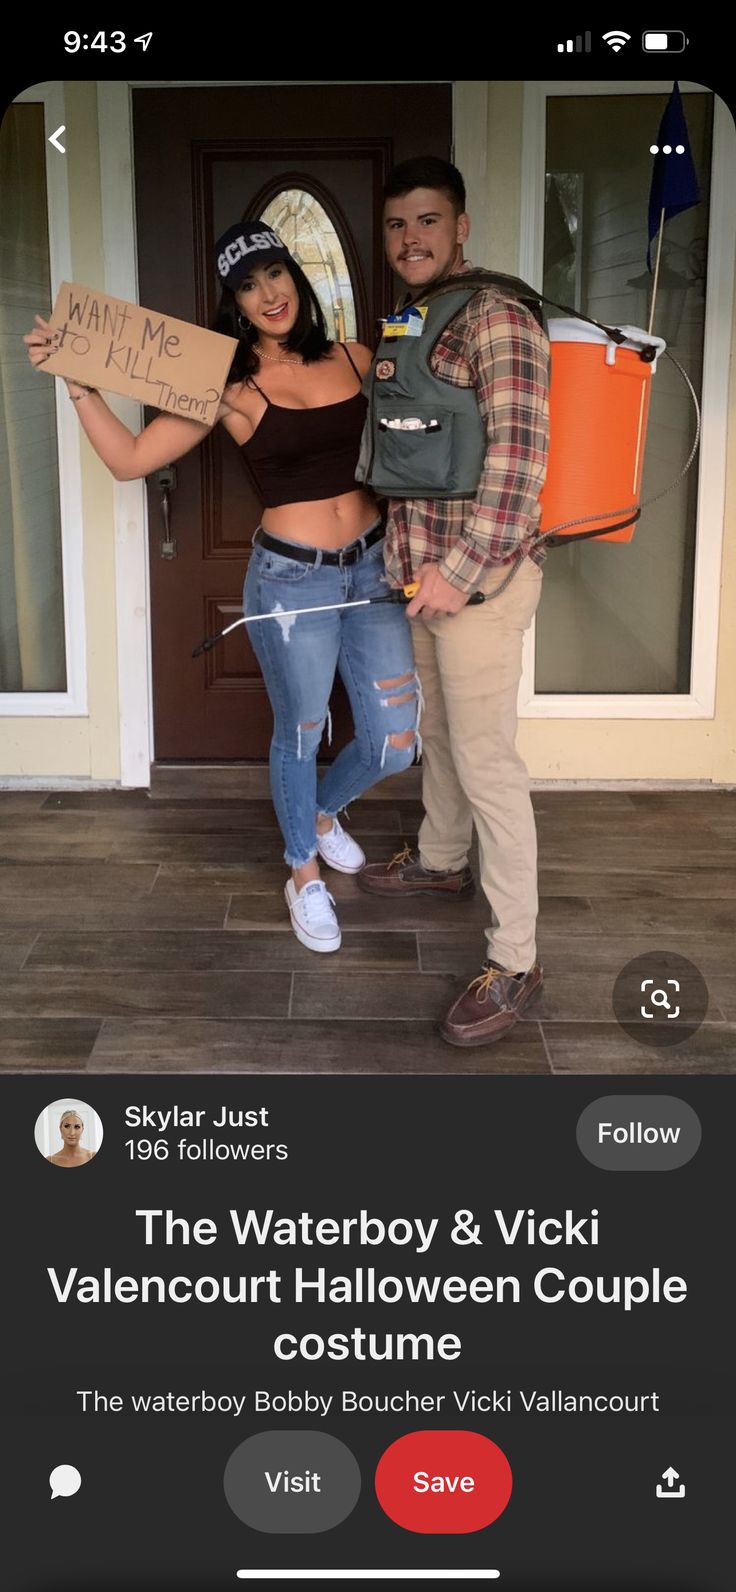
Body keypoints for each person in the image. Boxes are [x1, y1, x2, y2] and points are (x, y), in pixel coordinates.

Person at [25, 222, 419, 955]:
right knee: (300, 732)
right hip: (291, 581)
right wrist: (78, 387)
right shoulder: (228, 387)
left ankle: (323, 815)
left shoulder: (359, 358)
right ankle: (302, 873)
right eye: (248, 284)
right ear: (235, 304)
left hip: (373, 569)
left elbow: (416, 446)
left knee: (395, 741)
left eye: (276, 274)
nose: (268, 294)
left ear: (297, 280)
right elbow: (133, 459)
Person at [357, 158, 550, 1045]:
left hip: (479, 580)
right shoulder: (410, 320)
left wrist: (461, 572)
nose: (412, 239)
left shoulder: (498, 318)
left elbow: (518, 465)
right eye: (399, 226)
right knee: (440, 734)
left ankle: (516, 959)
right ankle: (441, 860)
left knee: (488, 763)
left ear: (461, 226)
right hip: (422, 572)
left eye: (429, 222)